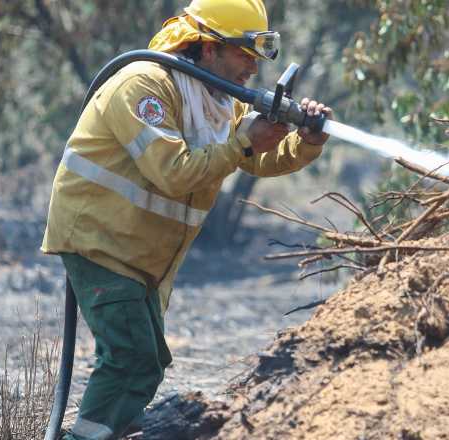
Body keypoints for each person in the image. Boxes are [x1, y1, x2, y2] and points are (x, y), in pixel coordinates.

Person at [40, 0, 331, 438]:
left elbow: (258, 160)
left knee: (145, 364)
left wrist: (306, 142)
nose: (252, 67)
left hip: (145, 256)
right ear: (207, 48)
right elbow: (173, 172)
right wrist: (243, 145)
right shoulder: (143, 87)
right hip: (100, 241)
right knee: (132, 359)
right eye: (243, 52)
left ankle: (102, 432)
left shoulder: (216, 100)